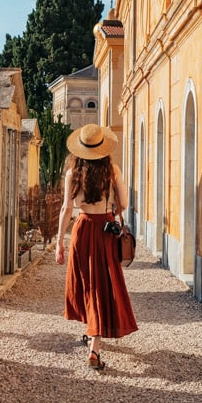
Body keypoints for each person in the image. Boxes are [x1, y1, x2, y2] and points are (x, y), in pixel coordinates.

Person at [55, 123, 138, 371]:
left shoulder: (72, 174)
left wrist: (60, 241)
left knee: (87, 283)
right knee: (103, 285)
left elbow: (66, 210)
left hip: (82, 229)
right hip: (104, 230)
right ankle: (94, 346)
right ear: (103, 148)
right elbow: (123, 202)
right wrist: (112, 209)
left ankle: (93, 335)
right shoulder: (112, 171)